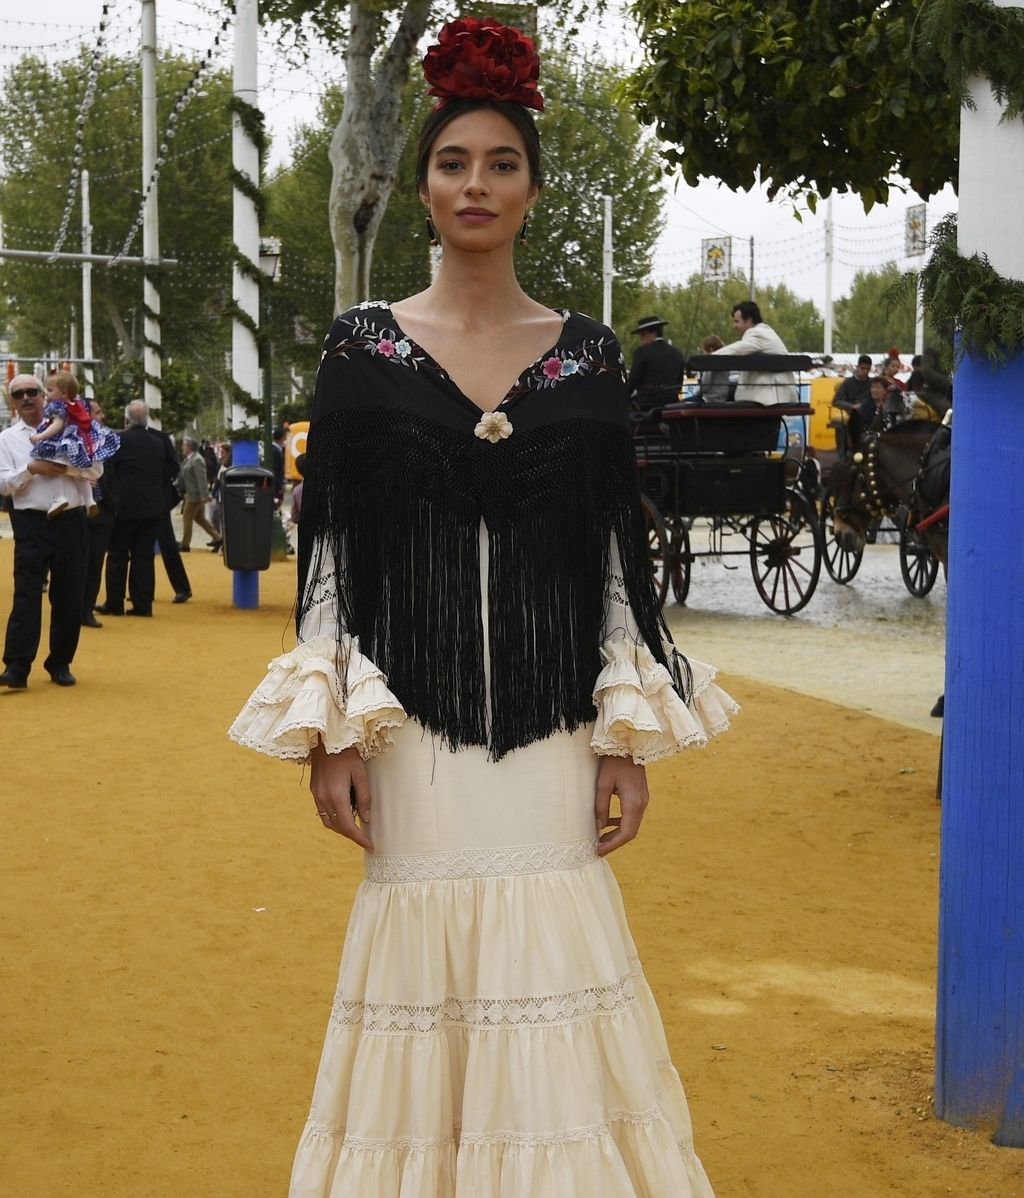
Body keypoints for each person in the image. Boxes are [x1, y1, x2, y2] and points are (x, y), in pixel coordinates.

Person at [229, 18, 735, 1197]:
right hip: (414, 726)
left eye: (501, 162)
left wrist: (625, 738)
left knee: (555, 951)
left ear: (532, 187)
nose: (476, 183)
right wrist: (335, 730)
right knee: (420, 964)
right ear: (421, 187)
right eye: (454, 162)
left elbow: (615, 559)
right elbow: (337, 549)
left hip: (554, 727)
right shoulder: (361, 348)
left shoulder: (591, 355)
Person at [0, 374, 103, 687]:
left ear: (45, 396)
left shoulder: (72, 428)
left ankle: (60, 662)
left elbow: (96, 469)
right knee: (26, 595)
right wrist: (31, 469)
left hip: (71, 521)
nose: (27, 397)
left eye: (33, 391)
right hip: (30, 524)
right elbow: (3, 484)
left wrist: (64, 468)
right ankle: (17, 667)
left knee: (69, 595)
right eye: (20, 394)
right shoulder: (6, 439)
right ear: (13, 402)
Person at [97, 400, 176, 617]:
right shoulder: (158, 442)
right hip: (153, 507)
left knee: (117, 553)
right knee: (144, 555)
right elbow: (169, 469)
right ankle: (143, 604)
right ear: (147, 419)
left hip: (124, 506)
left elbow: (108, 470)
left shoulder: (119, 440)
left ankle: (115, 602)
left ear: (126, 420)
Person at [29, 371, 119, 518]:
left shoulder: (57, 406)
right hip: (78, 444)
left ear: (63, 393)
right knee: (79, 474)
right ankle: (89, 500)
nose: (46, 393)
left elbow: (57, 425)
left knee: (53, 468)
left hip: (61, 443)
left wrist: (40, 436)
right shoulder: (77, 404)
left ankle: (59, 498)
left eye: (50, 390)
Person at [712, 300, 798, 404]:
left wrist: (709, 358)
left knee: (715, 399)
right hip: (779, 390)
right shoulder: (767, 331)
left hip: (769, 394)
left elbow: (737, 349)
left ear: (748, 320)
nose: (735, 326)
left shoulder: (756, 333)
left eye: (737, 321)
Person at [81, 398, 116, 628]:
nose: (102, 417)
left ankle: (86, 610)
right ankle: (70, 609)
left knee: (94, 565)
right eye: (98, 412)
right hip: (76, 511)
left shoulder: (107, 441)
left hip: (102, 512)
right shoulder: (69, 439)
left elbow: (115, 475)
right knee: (74, 565)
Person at [627, 314, 686, 405]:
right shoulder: (677, 353)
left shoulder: (642, 351)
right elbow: (679, 383)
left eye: (643, 335)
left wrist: (623, 397)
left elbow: (633, 381)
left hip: (647, 401)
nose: (640, 339)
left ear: (653, 333)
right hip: (672, 401)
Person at [177, 436, 220, 551]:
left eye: (184, 445)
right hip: (190, 493)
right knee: (199, 518)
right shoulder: (190, 459)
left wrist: (204, 495)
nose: (182, 447)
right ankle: (218, 537)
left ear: (190, 447)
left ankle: (185, 544)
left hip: (194, 495)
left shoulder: (197, 460)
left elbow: (201, 479)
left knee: (187, 517)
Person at [695, 332, 731, 402]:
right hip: (722, 398)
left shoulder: (711, 362)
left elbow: (705, 386)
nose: (704, 354)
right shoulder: (725, 360)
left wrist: (695, 393)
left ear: (711, 350)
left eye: (704, 351)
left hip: (710, 399)